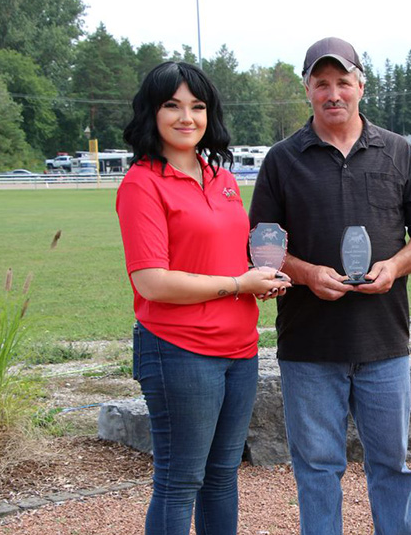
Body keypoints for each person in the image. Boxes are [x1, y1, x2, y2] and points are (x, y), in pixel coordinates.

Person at [249, 37, 411, 535]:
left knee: (393, 467)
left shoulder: (398, 152)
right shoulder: (282, 160)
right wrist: (307, 273)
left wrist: (396, 266)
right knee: (317, 469)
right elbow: (262, 248)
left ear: (361, 85)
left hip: (383, 342)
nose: (333, 93)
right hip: (308, 344)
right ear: (308, 90)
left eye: (343, 82)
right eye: (322, 83)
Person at [116, 61, 291, 535]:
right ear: (151, 113)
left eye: (197, 106)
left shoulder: (224, 179)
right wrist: (239, 285)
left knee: (220, 477)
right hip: (179, 350)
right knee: (180, 480)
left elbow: (229, 259)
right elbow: (151, 281)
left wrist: (262, 278)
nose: (186, 117)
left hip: (240, 349)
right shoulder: (142, 183)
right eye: (171, 105)